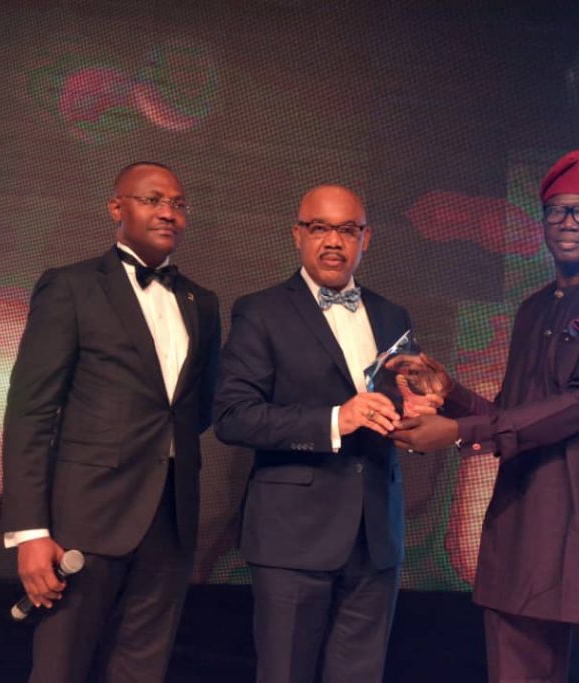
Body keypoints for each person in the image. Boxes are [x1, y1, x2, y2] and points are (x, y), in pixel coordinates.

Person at [393, 150, 579, 683]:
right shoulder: (533, 309)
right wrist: (450, 394)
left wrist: (456, 431)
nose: (568, 222)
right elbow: (516, 417)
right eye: (556, 210)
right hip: (527, 529)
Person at [0, 161, 221, 682]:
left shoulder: (201, 302)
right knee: (60, 670)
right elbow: (30, 411)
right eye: (152, 199)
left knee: (141, 671)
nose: (168, 212)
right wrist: (30, 531)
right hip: (83, 522)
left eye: (178, 203)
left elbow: (197, 410)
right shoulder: (71, 287)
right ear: (116, 208)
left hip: (169, 520)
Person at [214, 184, 425, 683]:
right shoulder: (261, 310)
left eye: (347, 229)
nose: (334, 241)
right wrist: (336, 419)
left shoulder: (394, 316)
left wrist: (420, 414)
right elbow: (233, 415)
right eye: (320, 228)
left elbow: (401, 407)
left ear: (365, 238)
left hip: (375, 535)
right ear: (298, 235)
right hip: (292, 538)